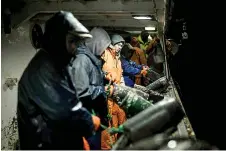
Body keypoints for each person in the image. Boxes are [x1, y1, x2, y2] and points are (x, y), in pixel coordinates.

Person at [17, 11, 98, 150]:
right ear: (57, 39)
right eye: (72, 41)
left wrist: (77, 140)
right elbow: (65, 112)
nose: (75, 48)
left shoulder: (55, 63)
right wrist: (89, 122)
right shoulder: (43, 69)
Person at [68, 27, 115, 150]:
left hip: (94, 116)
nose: (104, 50)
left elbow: (91, 76)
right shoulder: (82, 60)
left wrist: (104, 76)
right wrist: (102, 90)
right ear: (96, 44)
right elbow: (80, 90)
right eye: (103, 46)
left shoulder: (91, 58)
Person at [101, 34, 127, 150]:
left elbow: (120, 76)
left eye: (121, 45)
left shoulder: (118, 58)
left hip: (118, 95)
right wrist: (105, 76)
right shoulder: (105, 54)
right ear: (112, 44)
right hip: (107, 95)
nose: (120, 47)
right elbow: (97, 70)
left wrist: (124, 89)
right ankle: (107, 148)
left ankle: (117, 146)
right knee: (108, 125)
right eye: (118, 44)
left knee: (121, 120)